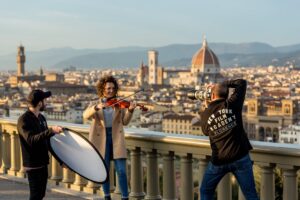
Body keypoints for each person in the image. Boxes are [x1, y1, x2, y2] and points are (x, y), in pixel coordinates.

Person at [199, 79, 259, 200]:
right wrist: (223, 84)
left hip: (219, 160)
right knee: (250, 193)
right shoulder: (233, 104)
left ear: (212, 95)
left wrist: (206, 107)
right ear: (227, 94)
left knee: (205, 190)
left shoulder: (206, 113)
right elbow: (242, 83)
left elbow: (205, 131)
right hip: (240, 156)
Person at [83, 75, 136, 200]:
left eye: (113, 88)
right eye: (108, 88)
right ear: (102, 89)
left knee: (121, 171)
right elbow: (85, 115)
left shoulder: (119, 104)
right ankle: (107, 196)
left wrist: (130, 111)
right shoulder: (95, 103)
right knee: (104, 170)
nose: (111, 90)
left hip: (116, 137)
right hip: (101, 139)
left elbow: (125, 122)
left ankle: (125, 197)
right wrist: (96, 108)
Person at [17, 89, 63, 200]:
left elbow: (47, 141)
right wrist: (50, 131)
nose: (46, 102)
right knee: (35, 196)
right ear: (39, 103)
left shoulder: (41, 118)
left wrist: (60, 161)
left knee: (40, 195)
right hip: (32, 165)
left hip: (43, 163)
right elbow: (31, 140)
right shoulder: (24, 120)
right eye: (44, 100)